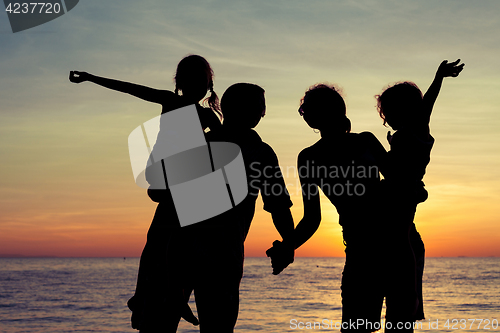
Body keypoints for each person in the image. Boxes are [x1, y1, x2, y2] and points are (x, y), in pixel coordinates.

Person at [69, 55, 222, 329]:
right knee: (163, 238)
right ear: (180, 83)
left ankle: (159, 296)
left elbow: (226, 145)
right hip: (165, 176)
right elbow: (130, 88)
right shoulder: (171, 101)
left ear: (208, 84)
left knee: (166, 237)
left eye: (202, 80)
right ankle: (157, 296)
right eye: (189, 80)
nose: (196, 85)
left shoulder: (207, 116)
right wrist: (91, 78)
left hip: (184, 182)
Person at [155, 82, 295, 332]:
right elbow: (278, 206)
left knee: (164, 325)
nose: (262, 113)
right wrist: (288, 245)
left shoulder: (200, 146)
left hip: (181, 250)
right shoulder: (261, 153)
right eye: (260, 107)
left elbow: (160, 195)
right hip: (221, 255)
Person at [268, 83, 388, 332]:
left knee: (383, 324)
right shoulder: (309, 158)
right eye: (306, 109)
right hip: (362, 247)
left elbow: (400, 182)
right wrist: (287, 246)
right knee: (359, 327)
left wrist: (287, 247)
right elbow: (312, 218)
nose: (307, 114)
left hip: (397, 241)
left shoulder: (365, 141)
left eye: (309, 109)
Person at [375, 59, 464, 328]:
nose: (385, 118)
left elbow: (427, 106)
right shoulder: (407, 133)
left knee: (401, 312)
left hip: (402, 215)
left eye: (387, 111)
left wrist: (438, 77)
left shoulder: (415, 130)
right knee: (399, 314)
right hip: (401, 212)